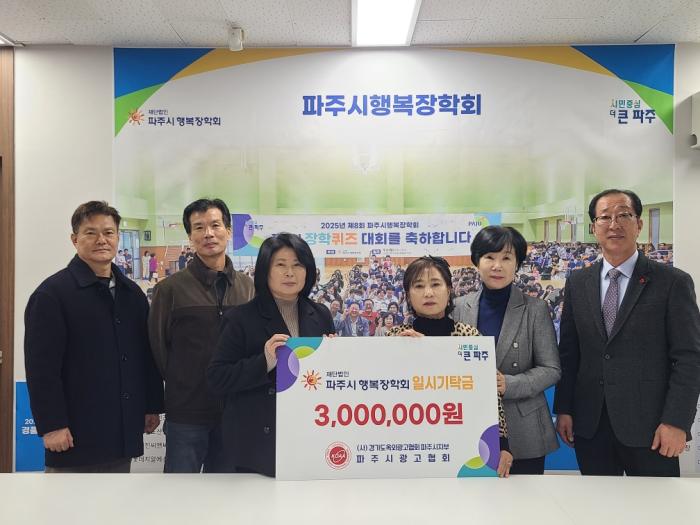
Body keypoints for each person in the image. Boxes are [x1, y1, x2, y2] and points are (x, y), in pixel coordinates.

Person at [554, 189, 700, 476]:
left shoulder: (672, 282)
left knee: (655, 505)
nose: (614, 224)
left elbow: (689, 358)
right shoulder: (578, 283)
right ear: (594, 227)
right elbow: (570, 353)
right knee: (597, 503)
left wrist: (677, 421)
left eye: (624, 215)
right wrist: (565, 409)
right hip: (591, 425)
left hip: (652, 429)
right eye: (605, 217)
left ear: (639, 224)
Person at [24, 201, 164, 472]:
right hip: (73, 437)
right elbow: (42, 369)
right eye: (91, 233)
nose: (101, 240)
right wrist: (52, 425)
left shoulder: (132, 295)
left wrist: (151, 405)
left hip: (122, 432)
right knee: (70, 500)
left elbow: (146, 356)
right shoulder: (52, 295)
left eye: (109, 232)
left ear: (118, 238)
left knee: (117, 498)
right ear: (74, 239)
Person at [207, 233, 335, 476]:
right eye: (281, 265)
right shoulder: (240, 318)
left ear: (308, 271)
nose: (290, 273)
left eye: (297, 265)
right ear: (265, 271)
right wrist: (264, 362)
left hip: (307, 433)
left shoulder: (320, 315)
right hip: (256, 443)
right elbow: (217, 378)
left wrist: (333, 355)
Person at [148, 198, 254, 473]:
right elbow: (158, 349)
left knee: (228, 495)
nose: (208, 234)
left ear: (228, 231)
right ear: (190, 236)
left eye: (215, 225)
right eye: (199, 227)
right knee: (180, 494)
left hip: (234, 413)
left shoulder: (248, 288)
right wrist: (183, 381)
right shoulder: (170, 289)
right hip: (186, 415)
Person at [387, 256, 513, 477]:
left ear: (449, 290)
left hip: (462, 446)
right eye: (419, 286)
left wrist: (502, 444)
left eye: (436, 284)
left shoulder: (470, 337)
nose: (428, 293)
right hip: (409, 447)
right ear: (408, 295)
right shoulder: (394, 338)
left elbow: (489, 396)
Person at [453, 226, 560, 474]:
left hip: (523, 427)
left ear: (518, 264)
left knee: (525, 498)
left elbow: (551, 369)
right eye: (489, 257)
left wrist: (508, 384)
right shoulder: (458, 307)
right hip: (470, 425)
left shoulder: (535, 309)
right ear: (476, 262)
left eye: (506, 258)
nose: (497, 266)